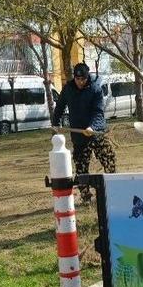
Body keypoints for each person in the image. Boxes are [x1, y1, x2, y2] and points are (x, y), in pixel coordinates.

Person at [52, 62, 116, 205]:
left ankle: (112, 191)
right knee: (81, 167)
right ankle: (86, 197)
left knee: (109, 159)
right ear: (74, 77)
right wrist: (56, 124)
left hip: (96, 132)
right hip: (79, 135)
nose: (81, 82)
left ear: (88, 77)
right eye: (78, 79)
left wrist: (92, 127)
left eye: (83, 79)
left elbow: (98, 113)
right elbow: (60, 107)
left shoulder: (95, 90)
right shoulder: (68, 89)